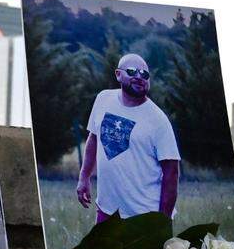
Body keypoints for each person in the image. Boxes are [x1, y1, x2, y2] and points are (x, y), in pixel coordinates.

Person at [76, 53, 180, 222]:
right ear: (118, 74)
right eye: (132, 71)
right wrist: (84, 177)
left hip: (143, 215)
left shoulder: (158, 120)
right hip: (107, 210)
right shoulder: (103, 99)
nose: (139, 77)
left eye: (144, 74)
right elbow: (93, 138)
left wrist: (162, 221)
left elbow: (172, 172)